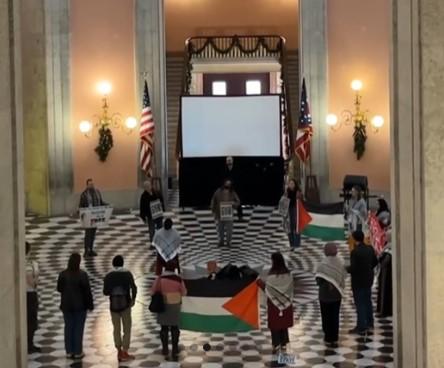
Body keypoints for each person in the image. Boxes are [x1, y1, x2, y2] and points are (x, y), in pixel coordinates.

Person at [57, 253, 93, 360]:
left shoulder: (63, 274)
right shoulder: (82, 275)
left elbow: (59, 289)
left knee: (68, 327)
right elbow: (87, 292)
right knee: (78, 328)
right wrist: (90, 304)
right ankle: (78, 351)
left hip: (66, 305)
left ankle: (69, 351)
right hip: (80, 306)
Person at [257, 252, 294, 353]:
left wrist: (259, 282)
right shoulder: (289, 274)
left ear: (274, 261)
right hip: (286, 303)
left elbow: (268, 289)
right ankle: (284, 343)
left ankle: (276, 344)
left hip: (274, 304)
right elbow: (290, 289)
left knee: (275, 325)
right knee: (283, 324)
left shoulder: (272, 276)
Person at [150, 261, 187, 361]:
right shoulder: (178, 279)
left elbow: (152, 291)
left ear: (165, 268)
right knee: (175, 327)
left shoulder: (160, 278)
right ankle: (175, 348)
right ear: (174, 268)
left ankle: (165, 348)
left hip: (163, 305)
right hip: (175, 305)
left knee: (164, 327)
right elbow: (184, 292)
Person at [103, 255, 138, 362]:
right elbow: (134, 287)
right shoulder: (127, 274)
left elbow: (105, 292)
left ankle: (118, 351)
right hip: (126, 304)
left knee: (116, 328)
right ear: (122, 263)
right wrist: (133, 299)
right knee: (127, 328)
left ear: (113, 264)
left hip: (113, 305)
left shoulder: (109, 275)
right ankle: (125, 351)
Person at [347, 230, 378, 334]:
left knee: (360, 303)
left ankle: (361, 326)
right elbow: (375, 261)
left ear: (355, 239)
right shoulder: (370, 249)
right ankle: (370, 323)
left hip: (358, 281)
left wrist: (346, 269)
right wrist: (368, 269)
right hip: (368, 279)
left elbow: (353, 268)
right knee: (368, 302)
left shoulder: (355, 252)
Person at [315, 243, 347, 345]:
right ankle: (334, 336)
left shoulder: (322, 264)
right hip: (336, 295)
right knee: (335, 315)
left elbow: (318, 281)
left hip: (324, 295)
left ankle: (328, 336)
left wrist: (326, 282)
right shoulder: (340, 263)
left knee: (326, 315)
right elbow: (343, 277)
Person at [79, 178, 107, 257]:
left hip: (95, 217)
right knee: (88, 234)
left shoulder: (97, 192)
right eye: (90, 184)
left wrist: (107, 205)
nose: (91, 186)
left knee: (93, 234)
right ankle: (86, 250)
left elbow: (101, 202)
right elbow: (81, 206)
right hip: (88, 217)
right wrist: (81, 214)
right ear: (87, 185)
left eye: (92, 184)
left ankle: (91, 249)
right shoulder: (84, 195)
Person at [210, 179, 240, 247]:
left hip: (229, 214)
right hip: (220, 213)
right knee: (220, 229)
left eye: (229, 184)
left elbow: (238, 201)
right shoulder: (218, 191)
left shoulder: (233, 192)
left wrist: (233, 203)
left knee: (229, 230)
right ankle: (221, 242)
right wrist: (213, 210)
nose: (227, 185)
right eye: (226, 183)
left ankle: (228, 242)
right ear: (224, 184)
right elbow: (213, 200)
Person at [26, 242, 41, 354]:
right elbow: (33, 283)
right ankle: (29, 344)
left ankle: (29, 343)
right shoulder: (30, 265)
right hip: (30, 294)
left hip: (27, 294)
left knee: (30, 320)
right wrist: (36, 279)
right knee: (31, 320)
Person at [139, 179, 165, 245]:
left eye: (149, 186)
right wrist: (143, 217)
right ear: (144, 188)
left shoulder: (157, 192)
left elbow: (161, 201)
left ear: (151, 186)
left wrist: (163, 209)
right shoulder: (143, 196)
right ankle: (152, 242)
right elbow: (142, 207)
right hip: (150, 215)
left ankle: (160, 241)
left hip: (158, 214)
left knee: (160, 228)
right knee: (151, 230)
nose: (148, 188)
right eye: (146, 187)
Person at [279, 179, 302, 249]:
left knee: (297, 227)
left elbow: (302, 202)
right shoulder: (286, 192)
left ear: (295, 184)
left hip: (296, 210)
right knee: (289, 228)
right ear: (288, 185)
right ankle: (292, 244)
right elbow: (281, 202)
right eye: (290, 183)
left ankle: (297, 244)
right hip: (288, 211)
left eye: (292, 183)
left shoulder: (298, 192)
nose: (291, 185)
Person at [377, 230, 392, 317]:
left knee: (385, 292)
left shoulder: (390, 248)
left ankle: (385, 311)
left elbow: (385, 261)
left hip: (387, 274)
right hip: (384, 273)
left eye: (386, 236)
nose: (385, 238)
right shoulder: (387, 246)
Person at [223, 156, 244, 221]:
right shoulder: (224, 169)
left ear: (232, 161)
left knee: (238, 202)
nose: (229, 161)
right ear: (226, 162)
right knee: (226, 202)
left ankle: (240, 216)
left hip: (236, 187)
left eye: (230, 160)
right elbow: (223, 178)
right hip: (227, 188)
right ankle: (227, 216)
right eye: (228, 160)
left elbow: (239, 177)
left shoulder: (237, 168)